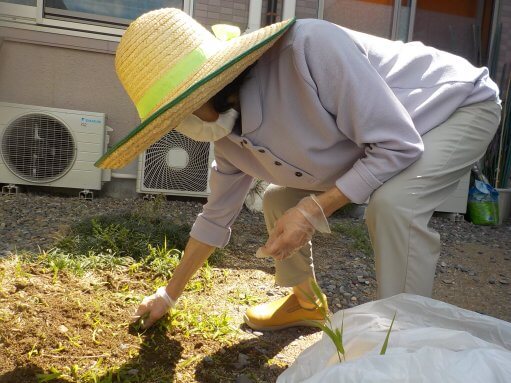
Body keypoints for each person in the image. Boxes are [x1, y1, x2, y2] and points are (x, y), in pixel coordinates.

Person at [95, 8, 501, 330]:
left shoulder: (308, 50)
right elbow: (215, 217)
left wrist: (312, 210)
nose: (179, 126)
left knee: (395, 205)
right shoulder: (224, 136)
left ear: (213, 83)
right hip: (382, 139)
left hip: (454, 107)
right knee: (277, 200)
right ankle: (306, 303)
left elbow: (397, 145)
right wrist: (169, 294)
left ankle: (402, 343)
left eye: (180, 110)